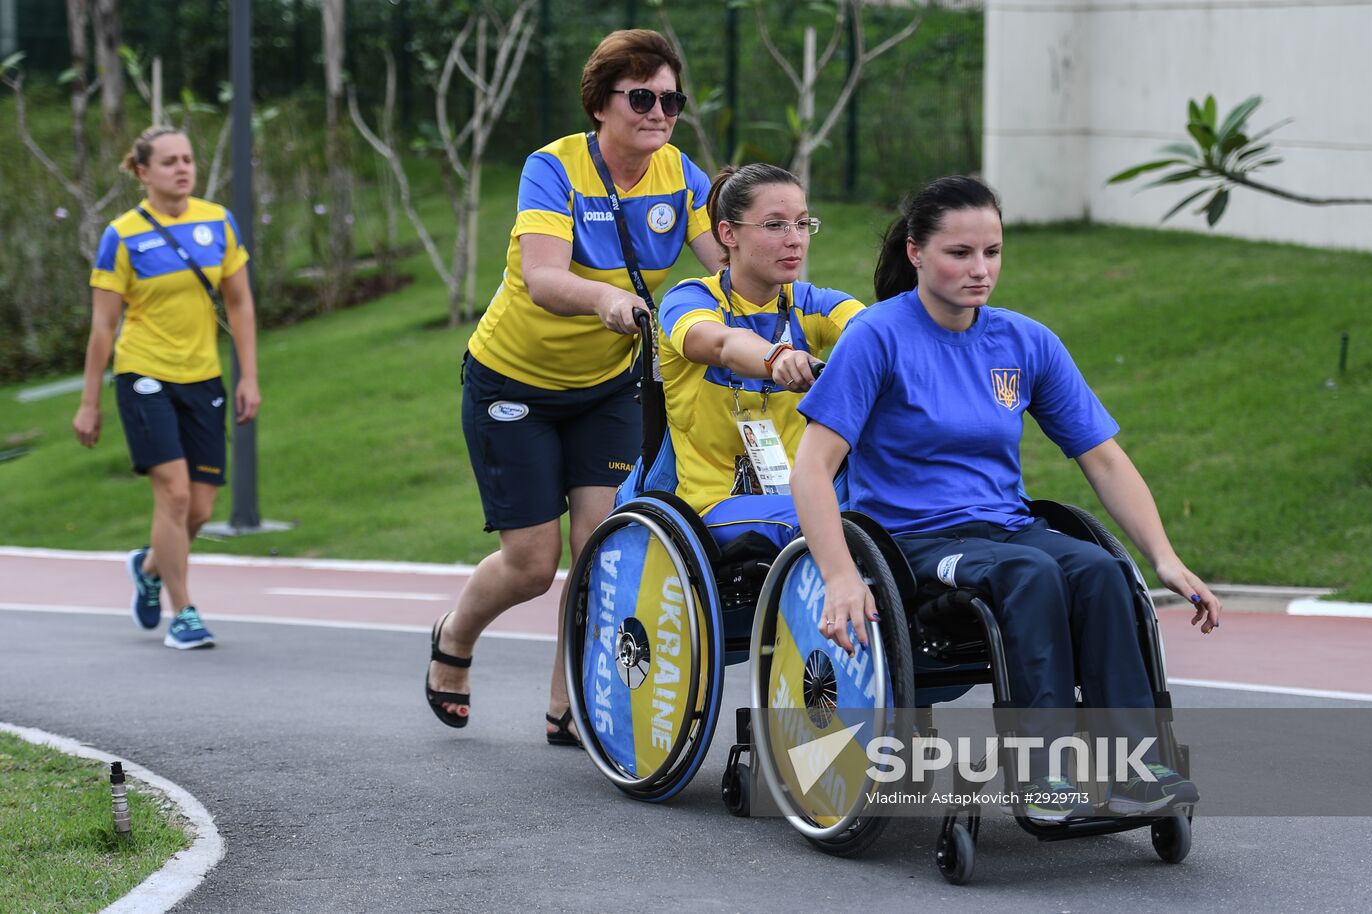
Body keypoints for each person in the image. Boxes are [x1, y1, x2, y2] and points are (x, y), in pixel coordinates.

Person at [790, 175, 1222, 819]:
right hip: (913, 542)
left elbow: (1102, 458)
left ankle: (1134, 767)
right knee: (1030, 574)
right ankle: (1041, 775)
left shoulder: (1025, 341)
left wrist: (1162, 557)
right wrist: (839, 575)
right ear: (915, 253)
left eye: (991, 252)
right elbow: (810, 469)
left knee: (1103, 572)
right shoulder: (877, 336)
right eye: (959, 253)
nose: (980, 269)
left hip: (1005, 526)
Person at [426, 30, 725, 737]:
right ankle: (454, 637)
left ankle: (572, 701)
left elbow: (726, 273)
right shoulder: (553, 166)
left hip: (606, 388)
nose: (659, 112)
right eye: (643, 96)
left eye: (671, 99)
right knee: (533, 563)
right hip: (514, 382)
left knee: (603, 547)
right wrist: (605, 300)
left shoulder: (682, 177)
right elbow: (543, 276)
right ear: (601, 102)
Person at [74, 125, 260, 650]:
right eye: (169, 161)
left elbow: (241, 303)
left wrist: (249, 376)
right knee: (174, 494)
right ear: (142, 171)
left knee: (199, 509)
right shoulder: (122, 235)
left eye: (188, 159)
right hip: (143, 375)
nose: (182, 168)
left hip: (204, 377)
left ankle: (150, 567)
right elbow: (102, 329)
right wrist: (90, 403)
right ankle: (185, 613)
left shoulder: (218, 222)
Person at [657, 163, 862, 551]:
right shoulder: (689, 300)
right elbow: (721, 344)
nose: (795, 239)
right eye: (774, 225)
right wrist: (776, 357)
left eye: (802, 224)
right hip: (714, 506)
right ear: (727, 233)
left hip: (804, 492)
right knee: (824, 522)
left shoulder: (814, 303)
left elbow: (876, 335)